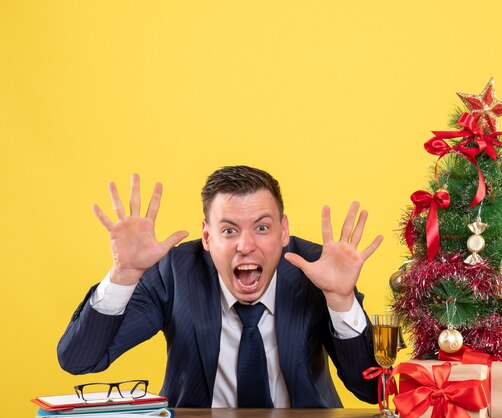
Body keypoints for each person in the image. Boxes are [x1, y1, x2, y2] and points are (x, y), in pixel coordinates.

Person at [58, 166, 384, 408]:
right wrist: (124, 273)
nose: (246, 245)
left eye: (262, 227)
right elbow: (79, 360)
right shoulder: (175, 272)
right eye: (229, 231)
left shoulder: (317, 269)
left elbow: (373, 392)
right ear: (207, 236)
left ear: (284, 232)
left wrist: (340, 300)